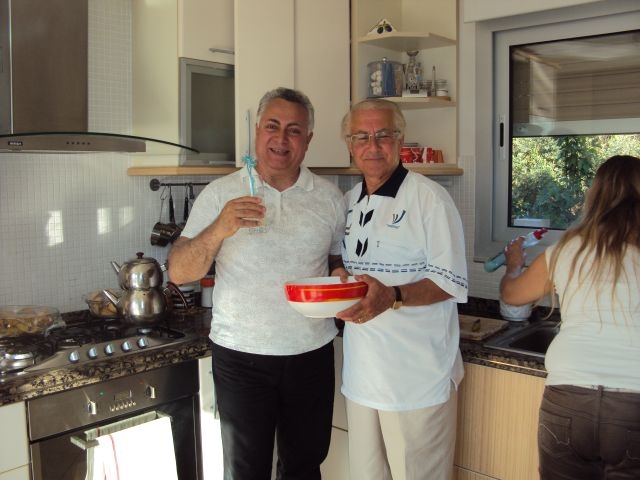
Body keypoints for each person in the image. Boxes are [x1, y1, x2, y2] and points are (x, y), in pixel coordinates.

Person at [167, 87, 347, 479]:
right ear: (257, 131)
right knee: (246, 471)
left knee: (304, 467)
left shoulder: (331, 198)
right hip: (241, 356)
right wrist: (220, 228)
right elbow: (179, 271)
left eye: (294, 130)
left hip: (311, 352)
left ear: (308, 140)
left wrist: (340, 275)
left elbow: (335, 259)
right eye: (272, 126)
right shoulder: (221, 194)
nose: (281, 139)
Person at [335, 98, 468, 480]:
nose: (372, 146)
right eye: (362, 136)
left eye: (383, 135)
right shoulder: (349, 202)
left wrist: (393, 296)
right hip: (362, 377)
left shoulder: (429, 199)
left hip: (417, 379)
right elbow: (340, 263)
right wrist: (337, 273)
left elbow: (450, 281)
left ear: (399, 139)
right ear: (349, 144)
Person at [500, 155, 640, 480]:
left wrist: (513, 265)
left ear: (595, 195)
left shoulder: (567, 250)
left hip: (568, 398)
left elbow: (512, 296)